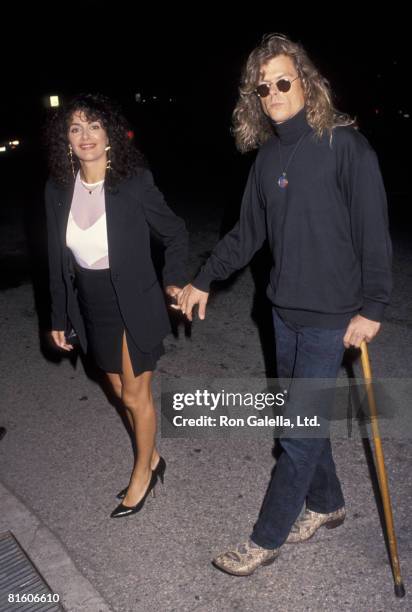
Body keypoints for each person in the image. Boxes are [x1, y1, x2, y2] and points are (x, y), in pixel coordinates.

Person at [176, 33, 392, 575]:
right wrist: (204, 279)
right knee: (300, 418)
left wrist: (373, 308)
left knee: (296, 432)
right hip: (282, 312)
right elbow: (246, 232)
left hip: (331, 318)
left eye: (282, 81)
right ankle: (327, 503)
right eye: (262, 86)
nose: (272, 92)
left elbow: (374, 235)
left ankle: (263, 540)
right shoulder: (269, 156)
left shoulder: (345, 146)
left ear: (306, 82)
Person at [44, 93, 188, 518]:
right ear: (65, 140)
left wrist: (174, 279)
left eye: (94, 126)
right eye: (75, 128)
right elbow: (56, 259)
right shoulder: (57, 190)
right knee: (118, 391)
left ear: (110, 135)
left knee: (135, 396)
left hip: (132, 301)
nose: (85, 135)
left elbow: (176, 232)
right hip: (90, 304)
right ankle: (154, 455)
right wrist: (58, 315)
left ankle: (143, 473)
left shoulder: (133, 182)